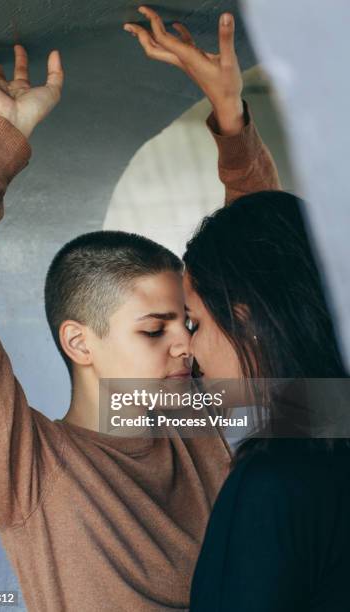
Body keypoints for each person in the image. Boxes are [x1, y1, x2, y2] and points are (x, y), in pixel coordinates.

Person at [0, 12, 278, 612]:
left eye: (189, 322)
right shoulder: (27, 467)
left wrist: (231, 118)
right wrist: (0, 134)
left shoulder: (192, 414)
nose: (185, 344)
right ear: (80, 342)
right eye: (155, 328)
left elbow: (265, 264)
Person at [127, 7, 350, 610]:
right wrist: (230, 121)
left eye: (192, 322)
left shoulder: (275, 479)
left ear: (247, 316)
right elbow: (274, 262)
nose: (187, 348)